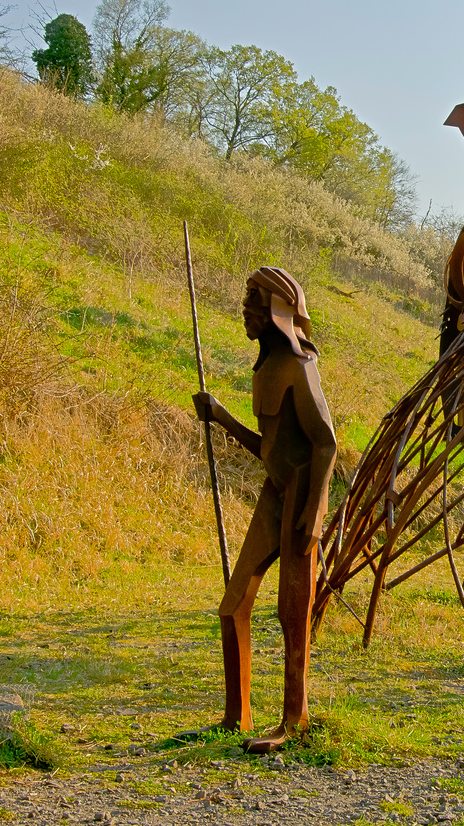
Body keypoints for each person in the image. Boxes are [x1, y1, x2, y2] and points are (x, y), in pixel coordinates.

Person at [193, 267, 337, 753]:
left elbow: (327, 443)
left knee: (290, 612)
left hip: (299, 498)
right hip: (276, 493)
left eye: (254, 299)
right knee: (233, 605)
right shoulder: (266, 370)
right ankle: (237, 716)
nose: (245, 308)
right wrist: (221, 417)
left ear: (278, 308)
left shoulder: (301, 368)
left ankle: (294, 720)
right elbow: (269, 447)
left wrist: (314, 517)